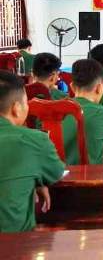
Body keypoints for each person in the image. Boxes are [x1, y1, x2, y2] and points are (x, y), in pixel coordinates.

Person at [0, 71, 65, 233]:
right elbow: (56, 173)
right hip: (14, 243)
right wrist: (36, 181)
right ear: (16, 109)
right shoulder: (34, 141)